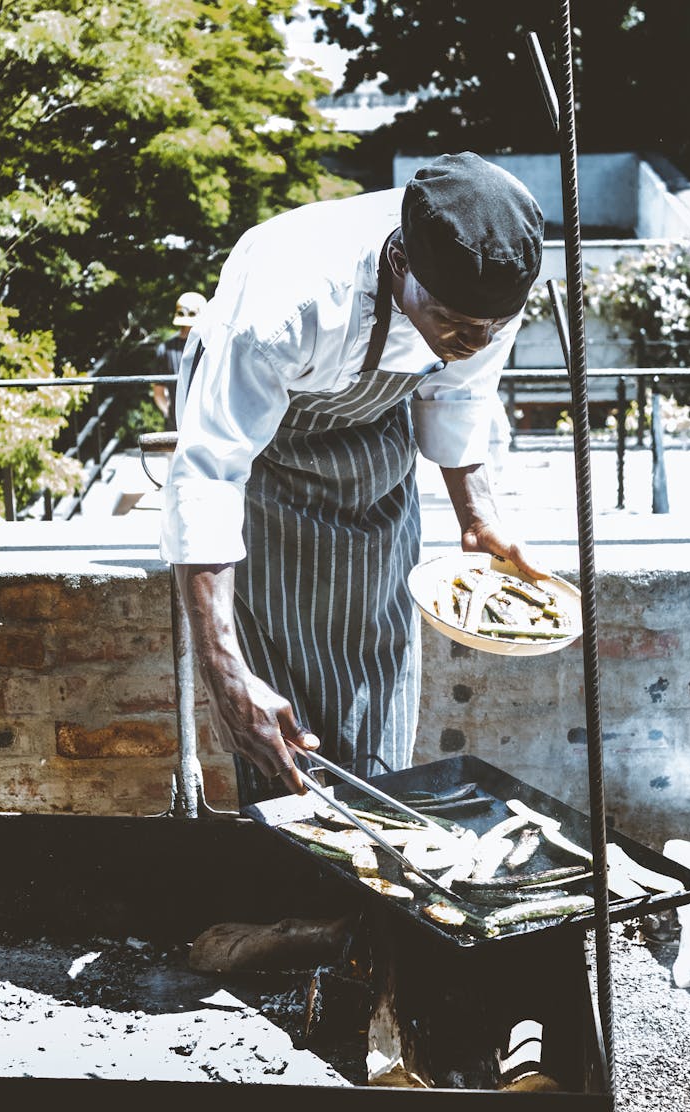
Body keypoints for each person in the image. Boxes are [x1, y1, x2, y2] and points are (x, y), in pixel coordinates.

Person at [160, 152, 547, 806]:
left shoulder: (489, 275)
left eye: (492, 325)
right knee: (282, 729)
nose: (476, 340)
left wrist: (478, 518)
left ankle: (373, 830)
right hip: (265, 463)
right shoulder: (288, 303)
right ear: (400, 263)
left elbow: (459, 394)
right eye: (452, 321)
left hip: (373, 457)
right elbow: (208, 474)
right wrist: (225, 674)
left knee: (379, 679)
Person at [153, 291, 207, 420]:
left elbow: (158, 393)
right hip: (187, 421)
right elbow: (158, 392)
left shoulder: (208, 345)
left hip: (193, 419)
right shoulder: (165, 349)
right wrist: (169, 414)